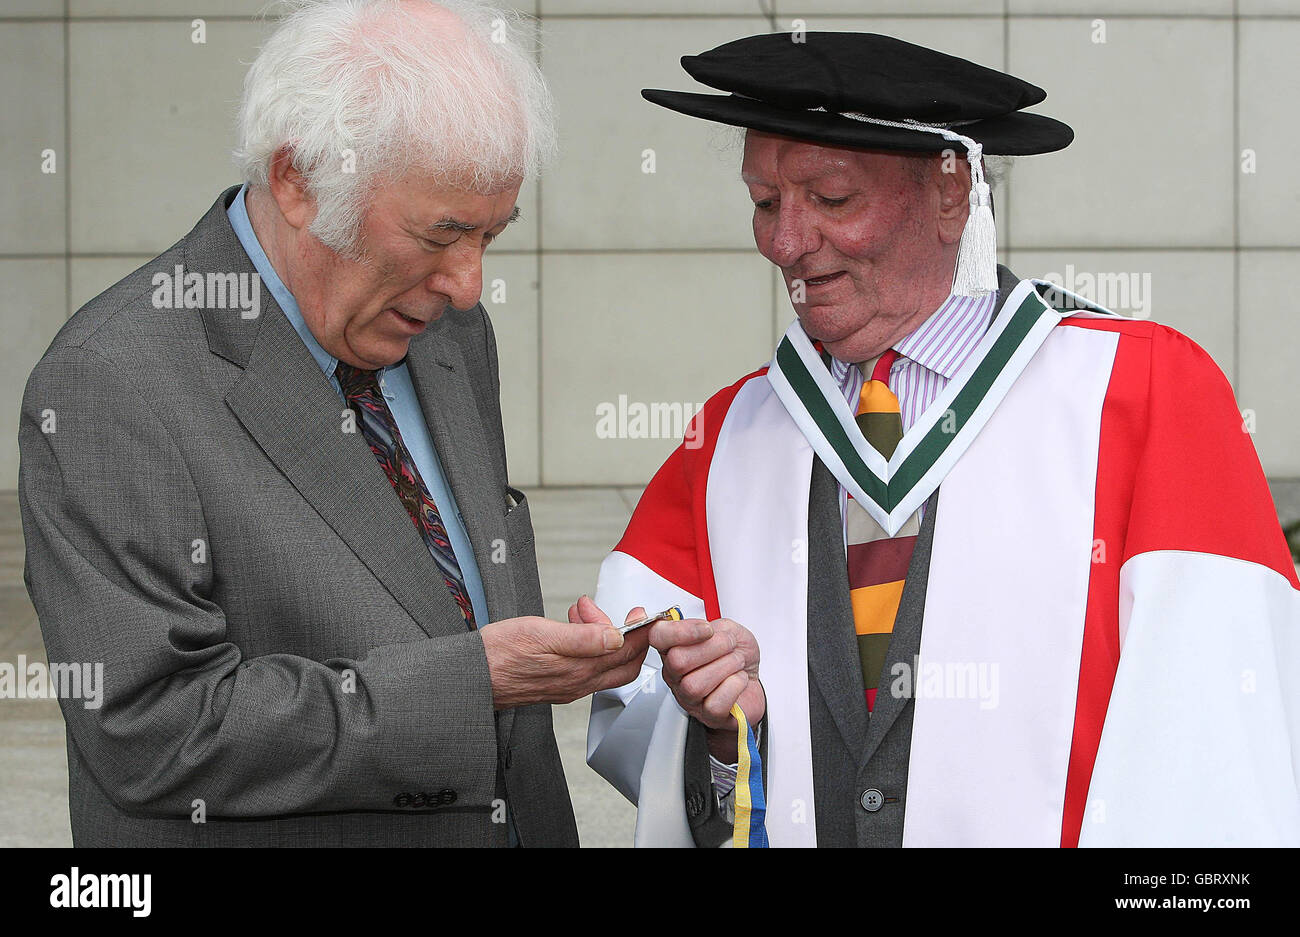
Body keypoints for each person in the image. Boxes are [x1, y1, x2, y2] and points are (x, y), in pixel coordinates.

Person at [583, 31, 1300, 847]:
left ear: (952, 193)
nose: (784, 243)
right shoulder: (727, 441)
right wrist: (718, 736)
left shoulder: (1146, 399)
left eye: (832, 197)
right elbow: (642, 735)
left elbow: (1220, 754)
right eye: (764, 201)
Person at [18, 0, 647, 847]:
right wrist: (474, 681)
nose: (469, 283)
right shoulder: (111, 381)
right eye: (443, 233)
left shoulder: (450, 333)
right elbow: (155, 731)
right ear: (299, 180)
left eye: (493, 234)